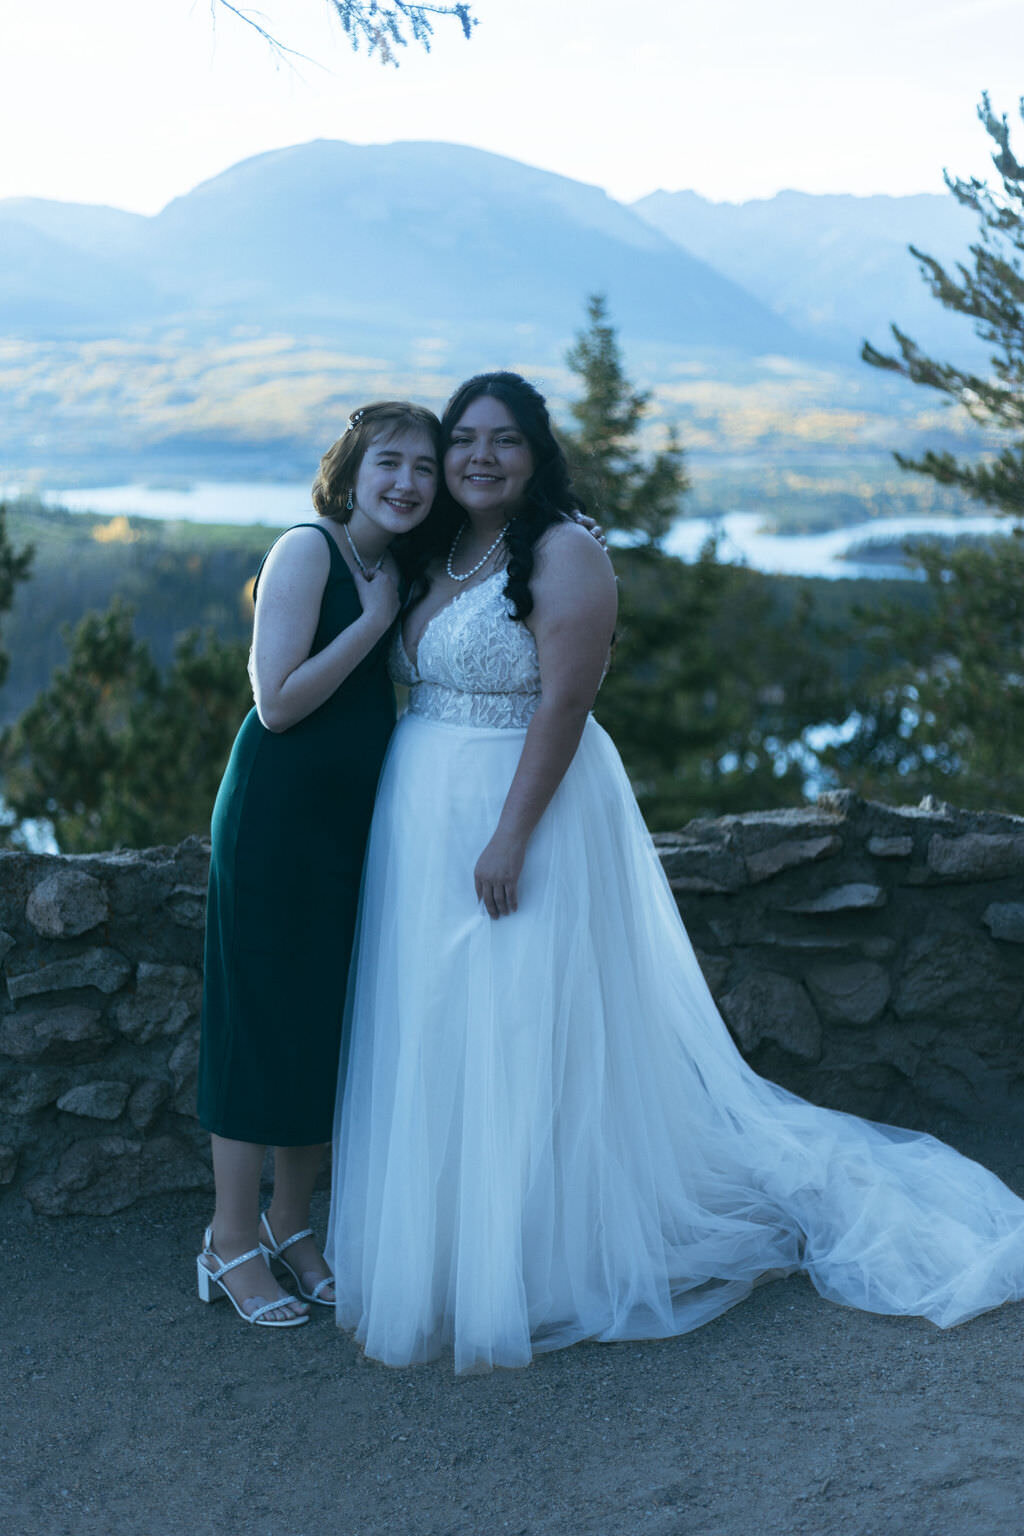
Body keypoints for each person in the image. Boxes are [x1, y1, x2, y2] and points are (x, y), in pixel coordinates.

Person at [328, 371, 1024, 1373]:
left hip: (520, 806)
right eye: (464, 439)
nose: (481, 456)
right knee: (439, 1019)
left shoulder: (567, 552)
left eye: (504, 440)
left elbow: (563, 706)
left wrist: (511, 836)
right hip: (421, 809)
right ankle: (442, 1243)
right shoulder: (439, 549)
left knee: (526, 1017)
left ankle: (536, 1257)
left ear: (536, 454)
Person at [196, 400, 441, 1327]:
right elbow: (277, 704)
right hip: (273, 822)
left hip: (350, 826)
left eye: (424, 466)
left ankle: (293, 1228)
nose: (408, 482)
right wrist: (374, 623)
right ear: (352, 466)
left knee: (324, 1029)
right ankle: (228, 1242)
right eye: (389, 462)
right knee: (257, 1024)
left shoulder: (395, 563)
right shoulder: (310, 550)